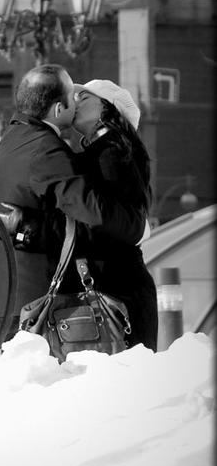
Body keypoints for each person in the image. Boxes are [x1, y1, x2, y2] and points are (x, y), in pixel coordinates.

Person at [0, 64, 146, 342]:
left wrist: (29, 227)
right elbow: (95, 214)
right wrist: (137, 227)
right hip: (38, 303)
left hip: (11, 297)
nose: (77, 101)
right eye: (73, 96)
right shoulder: (45, 149)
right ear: (58, 109)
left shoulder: (13, 139)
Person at [61, 79, 157, 349]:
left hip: (120, 287)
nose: (75, 102)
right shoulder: (109, 148)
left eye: (85, 97)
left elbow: (112, 217)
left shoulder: (112, 150)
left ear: (107, 107)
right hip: (121, 282)